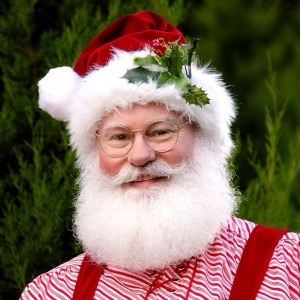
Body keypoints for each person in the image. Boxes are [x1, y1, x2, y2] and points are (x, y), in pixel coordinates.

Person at [20, 11, 300, 300]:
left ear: (201, 138)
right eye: (119, 137)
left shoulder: (288, 266)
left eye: (161, 132)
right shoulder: (51, 292)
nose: (140, 156)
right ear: (95, 153)